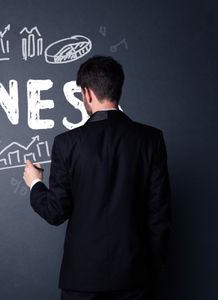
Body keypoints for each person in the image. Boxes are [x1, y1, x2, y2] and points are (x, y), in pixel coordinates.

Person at [23, 55, 171, 300]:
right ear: (118, 89)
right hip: (135, 277)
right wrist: (152, 272)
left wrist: (35, 182)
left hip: (82, 280)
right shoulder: (150, 139)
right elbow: (160, 215)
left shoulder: (67, 143)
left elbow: (55, 212)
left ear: (87, 93)